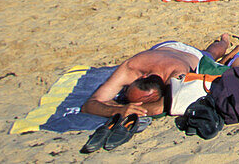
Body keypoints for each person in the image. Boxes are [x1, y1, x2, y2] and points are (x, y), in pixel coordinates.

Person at [81, 37, 231, 118]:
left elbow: (159, 108)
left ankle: (224, 41)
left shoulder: (176, 74)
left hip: (193, 57)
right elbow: (89, 104)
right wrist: (118, 111)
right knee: (211, 52)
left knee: (212, 54)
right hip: (165, 46)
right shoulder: (131, 67)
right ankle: (223, 41)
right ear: (142, 76)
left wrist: (123, 109)